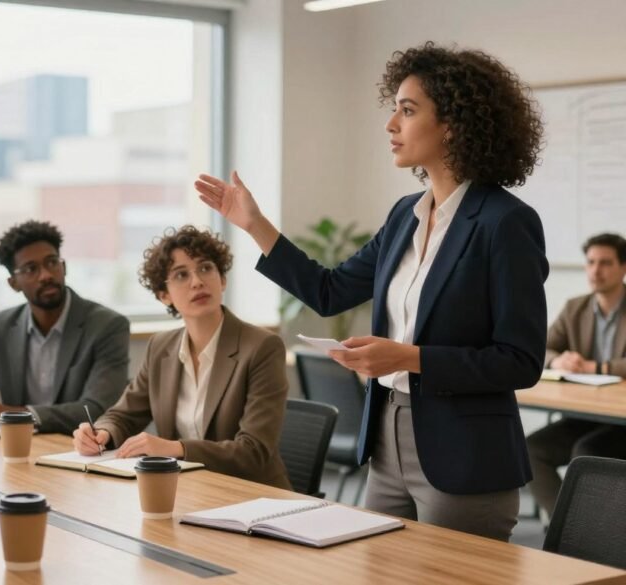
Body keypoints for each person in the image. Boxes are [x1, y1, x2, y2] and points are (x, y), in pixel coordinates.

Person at [195, 42, 547, 540]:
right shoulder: (405, 214)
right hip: (387, 439)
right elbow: (329, 290)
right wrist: (254, 225)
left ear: (452, 124)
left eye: (407, 110)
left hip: (465, 450)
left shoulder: (505, 222)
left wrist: (409, 356)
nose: (390, 124)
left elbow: (520, 360)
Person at [73, 226, 290, 489]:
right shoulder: (161, 347)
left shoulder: (262, 347)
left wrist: (176, 448)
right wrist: (102, 433)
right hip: (188, 490)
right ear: (164, 295)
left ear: (222, 279)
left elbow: (253, 451)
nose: (197, 281)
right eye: (181, 274)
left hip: (251, 494)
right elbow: (124, 415)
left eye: (206, 268)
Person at [0, 220, 130, 434]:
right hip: (19, 450)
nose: (46, 275)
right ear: (13, 283)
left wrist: (13, 415)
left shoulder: (107, 325)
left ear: (64, 267)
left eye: (51, 263)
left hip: (80, 451)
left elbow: (96, 409)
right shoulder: (2, 326)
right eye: (31, 269)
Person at [527, 232, 626, 518]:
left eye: (605, 263)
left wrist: (596, 368)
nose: (596, 270)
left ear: (623, 267)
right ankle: (570, 526)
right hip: (585, 414)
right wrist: (559, 360)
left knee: (586, 450)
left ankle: (592, 533)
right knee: (530, 449)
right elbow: (541, 348)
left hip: (621, 419)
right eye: (591, 262)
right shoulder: (576, 308)